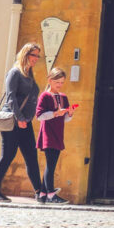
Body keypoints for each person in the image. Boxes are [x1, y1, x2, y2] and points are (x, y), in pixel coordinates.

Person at [0, 42, 43, 202]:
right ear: (26, 54)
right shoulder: (14, 73)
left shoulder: (29, 74)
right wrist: (19, 118)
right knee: (7, 156)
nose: (36, 59)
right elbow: (11, 97)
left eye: (38, 56)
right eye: (34, 55)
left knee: (31, 156)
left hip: (25, 121)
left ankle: (39, 192)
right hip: (13, 120)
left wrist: (27, 119)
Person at [35, 67, 75, 204]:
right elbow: (39, 116)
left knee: (50, 165)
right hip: (48, 134)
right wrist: (55, 113)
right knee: (51, 165)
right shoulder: (45, 96)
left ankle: (42, 194)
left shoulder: (64, 97)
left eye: (62, 82)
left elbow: (65, 119)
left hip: (58, 133)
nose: (60, 85)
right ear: (50, 81)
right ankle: (51, 195)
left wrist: (69, 114)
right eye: (57, 82)